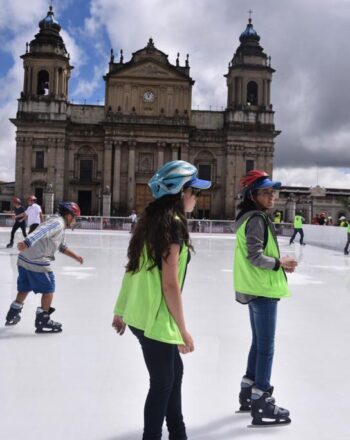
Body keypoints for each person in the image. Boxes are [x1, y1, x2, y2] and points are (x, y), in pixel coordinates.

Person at [112, 160, 211, 440]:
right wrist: (183, 330)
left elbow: (133, 269)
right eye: (195, 191)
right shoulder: (174, 226)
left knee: (172, 376)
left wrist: (121, 310)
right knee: (162, 384)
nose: (197, 197)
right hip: (156, 320)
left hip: (140, 316)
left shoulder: (151, 222)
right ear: (181, 192)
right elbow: (169, 284)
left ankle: (178, 434)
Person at [233, 169, 297, 427]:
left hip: (253, 287)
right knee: (266, 346)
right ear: (252, 195)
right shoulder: (257, 218)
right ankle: (262, 401)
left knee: (258, 343)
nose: (272, 196)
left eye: (273, 192)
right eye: (266, 192)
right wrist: (280, 263)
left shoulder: (246, 217)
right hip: (263, 288)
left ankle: (248, 392)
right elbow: (255, 256)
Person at [5, 202, 83, 333]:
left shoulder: (59, 225)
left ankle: (12, 314)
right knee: (49, 289)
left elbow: (61, 247)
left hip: (24, 259)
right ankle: (43, 320)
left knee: (25, 288)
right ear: (69, 216)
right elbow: (42, 231)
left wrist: (76, 256)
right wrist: (27, 241)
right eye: (75, 217)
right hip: (37, 260)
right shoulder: (57, 223)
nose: (75, 220)